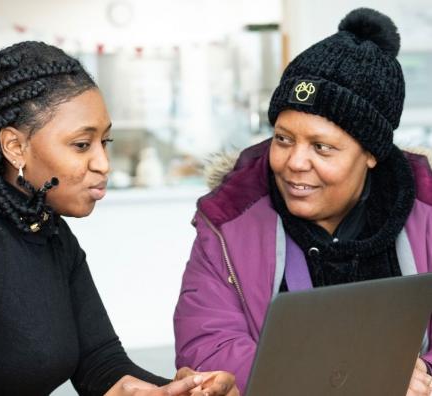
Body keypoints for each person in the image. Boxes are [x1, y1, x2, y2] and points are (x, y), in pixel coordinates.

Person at [0, 41, 239, 396]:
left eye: (105, 141)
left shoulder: (52, 235)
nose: (103, 163)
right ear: (15, 146)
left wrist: (181, 390)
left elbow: (102, 366)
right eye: (81, 144)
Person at [173, 7, 432, 396]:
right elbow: (207, 344)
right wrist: (359, 376)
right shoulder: (228, 219)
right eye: (283, 138)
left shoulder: (425, 210)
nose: (294, 163)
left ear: (371, 153)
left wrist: (419, 376)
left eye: (322, 147)